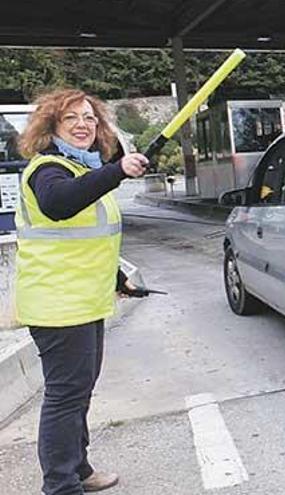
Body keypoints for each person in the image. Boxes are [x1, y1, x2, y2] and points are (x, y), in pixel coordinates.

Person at [15, 88, 149, 495]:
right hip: (58, 307)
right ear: (51, 126)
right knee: (64, 398)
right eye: (71, 117)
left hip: (83, 303)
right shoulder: (48, 169)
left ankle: (79, 468)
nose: (82, 125)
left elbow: (88, 241)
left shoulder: (81, 170)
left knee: (77, 395)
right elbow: (59, 205)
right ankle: (61, 485)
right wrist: (118, 170)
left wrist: (116, 279)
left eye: (90, 118)